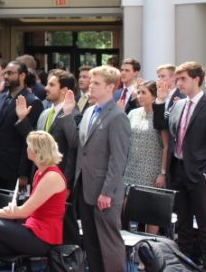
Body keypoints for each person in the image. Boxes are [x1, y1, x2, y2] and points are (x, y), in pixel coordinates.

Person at [58, 65, 131, 272]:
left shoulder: (117, 116)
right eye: (91, 82)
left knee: (109, 245)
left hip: (104, 193)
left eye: (96, 83)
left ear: (110, 87)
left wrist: (107, 192)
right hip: (85, 189)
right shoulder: (89, 111)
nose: (91, 86)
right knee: (91, 244)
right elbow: (75, 143)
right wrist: (67, 114)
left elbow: (118, 159)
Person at [0, 131, 68, 272]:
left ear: (36, 151)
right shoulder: (40, 172)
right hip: (31, 231)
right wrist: (14, 209)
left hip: (42, 239)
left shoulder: (51, 176)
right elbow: (27, 210)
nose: (26, 148)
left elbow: (23, 213)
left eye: (29, 146)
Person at [155, 62, 206, 270]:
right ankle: (184, 264)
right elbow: (163, 129)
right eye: (177, 79)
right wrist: (160, 102)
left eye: (183, 79)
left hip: (200, 175)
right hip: (178, 171)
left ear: (196, 79)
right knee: (182, 223)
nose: (179, 83)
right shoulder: (178, 105)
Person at [17, 69, 79, 244]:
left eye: (52, 84)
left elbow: (73, 151)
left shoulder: (73, 114)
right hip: (41, 178)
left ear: (64, 90)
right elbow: (36, 145)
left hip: (60, 183)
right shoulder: (45, 113)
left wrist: (66, 184)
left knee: (67, 230)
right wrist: (23, 120)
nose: (46, 88)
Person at [0, 60, 43, 191]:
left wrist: (23, 174)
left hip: (15, 170)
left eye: (10, 73)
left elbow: (30, 139)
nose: (6, 76)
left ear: (22, 76)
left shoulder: (32, 101)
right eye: (5, 73)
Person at [123, 80, 167, 235]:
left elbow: (166, 146)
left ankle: (148, 253)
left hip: (151, 171)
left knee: (151, 213)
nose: (140, 96)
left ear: (154, 96)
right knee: (125, 211)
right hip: (131, 169)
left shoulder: (160, 114)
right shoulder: (132, 113)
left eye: (144, 93)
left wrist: (162, 173)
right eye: (139, 92)